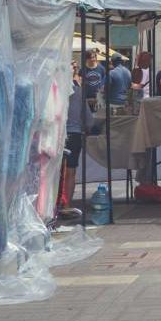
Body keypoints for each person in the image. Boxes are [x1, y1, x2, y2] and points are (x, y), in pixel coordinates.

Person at [59, 60, 93, 220]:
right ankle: (66, 205)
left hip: (57, 134)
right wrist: (88, 127)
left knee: (56, 171)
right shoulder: (78, 92)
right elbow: (88, 118)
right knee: (71, 171)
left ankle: (53, 205)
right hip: (74, 134)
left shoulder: (55, 89)